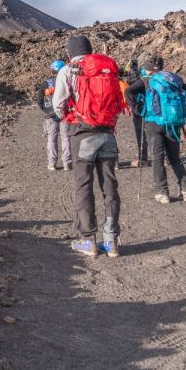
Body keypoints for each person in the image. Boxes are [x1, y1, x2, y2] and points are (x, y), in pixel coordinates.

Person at [53, 35, 126, 258]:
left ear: (70, 51)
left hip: (82, 134)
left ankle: (88, 241)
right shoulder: (107, 69)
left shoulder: (68, 70)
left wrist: (70, 117)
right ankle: (111, 241)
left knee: (84, 186)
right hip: (107, 134)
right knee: (109, 186)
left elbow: (58, 104)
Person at [124, 55, 186, 204]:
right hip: (173, 123)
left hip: (153, 123)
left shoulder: (146, 80)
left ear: (147, 68)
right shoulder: (172, 79)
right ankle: (185, 190)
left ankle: (162, 192)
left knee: (157, 157)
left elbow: (128, 92)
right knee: (174, 158)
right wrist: (185, 112)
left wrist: (138, 110)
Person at [35, 60, 72, 171]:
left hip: (51, 114)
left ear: (52, 70)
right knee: (66, 137)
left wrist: (46, 110)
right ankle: (67, 163)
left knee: (52, 138)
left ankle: (52, 163)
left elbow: (39, 99)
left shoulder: (46, 83)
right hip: (65, 112)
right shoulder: (68, 81)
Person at [125, 56, 149, 167]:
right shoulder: (159, 75)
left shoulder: (138, 75)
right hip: (156, 108)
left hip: (140, 107)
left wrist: (134, 108)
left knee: (140, 133)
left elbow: (128, 91)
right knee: (158, 132)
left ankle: (142, 158)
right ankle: (163, 157)